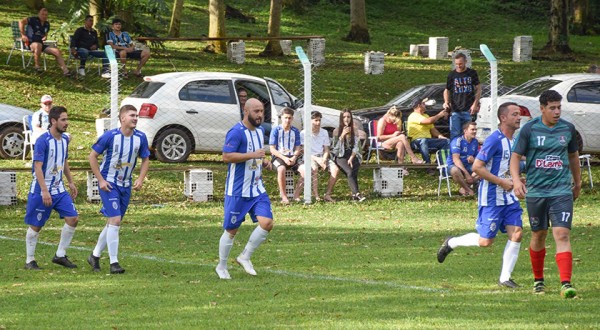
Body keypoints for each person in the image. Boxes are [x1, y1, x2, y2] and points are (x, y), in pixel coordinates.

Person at [437, 102, 523, 288]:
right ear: (503, 118)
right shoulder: (494, 140)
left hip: (508, 197)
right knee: (485, 241)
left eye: (519, 114)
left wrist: (517, 181)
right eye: (515, 114)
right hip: (491, 197)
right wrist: (501, 182)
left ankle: (505, 278)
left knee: (516, 234)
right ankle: (452, 242)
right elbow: (477, 167)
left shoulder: (513, 140)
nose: (519, 117)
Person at [510, 90, 581, 298]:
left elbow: (573, 156)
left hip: (561, 191)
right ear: (542, 109)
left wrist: (577, 182)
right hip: (537, 191)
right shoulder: (529, 130)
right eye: (552, 108)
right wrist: (515, 181)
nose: (557, 111)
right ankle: (538, 280)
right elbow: (515, 157)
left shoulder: (567, 129)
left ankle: (566, 283)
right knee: (538, 233)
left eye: (559, 107)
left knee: (562, 234)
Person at [87, 105, 150, 274]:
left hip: (126, 185)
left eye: (136, 115)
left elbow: (145, 159)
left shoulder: (141, 138)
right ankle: (114, 263)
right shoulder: (110, 136)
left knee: (112, 223)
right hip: (109, 184)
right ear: (122, 118)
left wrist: (140, 179)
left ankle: (94, 256)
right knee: (115, 220)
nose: (135, 118)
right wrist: (100, 179)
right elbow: (92, 156)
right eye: (132, 115)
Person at [216, 98, 274, 280]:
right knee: (232, 230)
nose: (259, 115)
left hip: (256, 189)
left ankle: (245, 256)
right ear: (245, 111)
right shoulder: (236, 132)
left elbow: (255, 154)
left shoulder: (260, 131)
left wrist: (263, 161)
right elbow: (226, 156)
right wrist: (253, 155)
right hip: (238, 190)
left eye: (262, 111)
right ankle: (222, 266)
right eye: (256, 111)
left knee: (267, 223)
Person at [23, 106, 79, 270]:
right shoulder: (43, 141)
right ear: (53, 121)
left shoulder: (65, 140)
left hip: (59, 189)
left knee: (73, 218)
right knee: (36, 225)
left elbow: (64, 161)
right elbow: (38, 167)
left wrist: (70, 182)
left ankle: (60, 255)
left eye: (67, 119)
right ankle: (30, 260)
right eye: (63, 119)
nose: (66, 123)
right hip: (41, 190)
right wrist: (44, 191)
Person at [293, 111, 334, 202]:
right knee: (314, 168)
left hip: (322, 157)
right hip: (309, 157)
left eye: (319, 120)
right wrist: (317, 159)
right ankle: (315, 194)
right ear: (310, 121)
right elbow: (303, 150)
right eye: (315, 120)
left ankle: (327, 194)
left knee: (335, 169)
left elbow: (326, 149)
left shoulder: (324, 132)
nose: (318, 123)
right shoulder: (304, 133)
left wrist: (323, 159)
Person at [326, 109, 366, 202]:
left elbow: (357, 146)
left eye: (348, 117)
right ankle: (357, 193)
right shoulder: (336, 131)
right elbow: (335, 149)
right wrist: (342, 135)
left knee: (354, 170)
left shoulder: (355, 130)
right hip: (340, 155)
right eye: (344, 117)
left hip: (351, 154)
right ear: (341, 119)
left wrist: (351, 158)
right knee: (349, 172)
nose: (346, 119)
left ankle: (354, 195)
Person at [19, 8, 72, 76]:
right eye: (42, 14)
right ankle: (37, 67)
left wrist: (45, 37)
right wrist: (23, 35)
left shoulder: (47, 24)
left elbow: (45, 34)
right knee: (38, 45)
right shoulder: (32, 19)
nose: (44, 16)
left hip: (41, 44)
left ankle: (66, 71)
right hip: (30, 43)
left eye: (46, 15)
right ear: (39, 14)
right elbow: (21, 22)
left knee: (57, 51)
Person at [443, 53, 481, 139]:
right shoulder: (452, 75)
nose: (458, 66)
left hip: (468, 109)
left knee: (468, 133)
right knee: (455, 133)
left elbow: (478, 88)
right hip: (455, 110)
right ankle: (455, 151)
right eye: (456, 64)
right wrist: (446, 101)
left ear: (465, 62)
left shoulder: (472, 73)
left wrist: (475, 103)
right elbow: (447, 90)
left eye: (460, 64)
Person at [376, 105, 424, 175]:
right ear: (389, 115)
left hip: (395, 141)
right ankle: (413, 158)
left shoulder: (397, 121)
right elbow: (379, 137)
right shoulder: (383, 121)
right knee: (402, 137)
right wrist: (393, 135)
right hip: (383, 142)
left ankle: (400, 167)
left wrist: (399, 133)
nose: (395, 122)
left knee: (401, 142)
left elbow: (398, 135)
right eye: (394, 119)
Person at [269, 107, 301, 205]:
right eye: (285, 118)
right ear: (281, 118)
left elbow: (298, 148)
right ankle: (284, 197)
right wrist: (284, 158)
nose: (287, 120)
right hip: (279, 156)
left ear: (292, 119)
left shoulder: (295, 131)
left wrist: (294, 157)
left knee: (305, 170)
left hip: (293, 156)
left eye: (290, 118)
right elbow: (272, 149)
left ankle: (296, 195)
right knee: (281, 169)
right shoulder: (275, 130)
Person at [406, 97, 449, 165]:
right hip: (416, 142)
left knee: (447, 141)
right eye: (423, 104)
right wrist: (439, 115)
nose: (425, 105)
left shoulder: (426, 115)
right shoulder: (413, 115)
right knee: (423, 141)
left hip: (428, 141)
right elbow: (429, 121)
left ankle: (438, 163)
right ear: (419, 106)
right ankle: (427, 164)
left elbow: (433, 129)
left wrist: (440, 136)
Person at [447, 122, 479, 196]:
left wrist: (473, 159)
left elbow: (478, 159)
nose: (475, 131)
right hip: (455, 165)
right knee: (455, 170)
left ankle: (463, 188)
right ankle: (468, 190)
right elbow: (456, 160)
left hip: (468, 165)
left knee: (482, 169)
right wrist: (467, 174)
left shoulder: (475, 141)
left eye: (475, 129)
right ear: (465, 131)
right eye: (472, 129)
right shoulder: (457, 141)